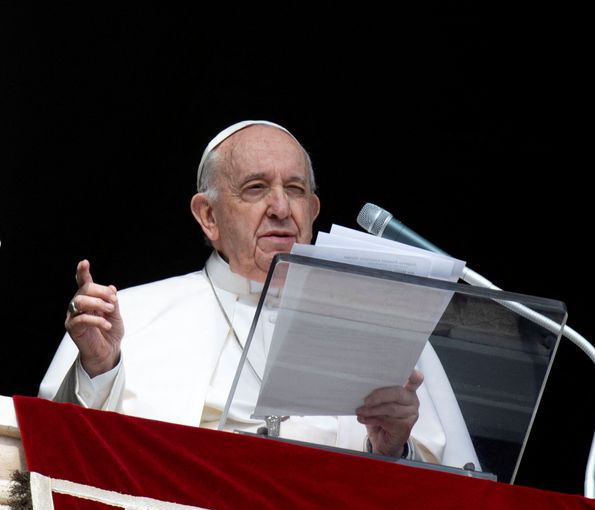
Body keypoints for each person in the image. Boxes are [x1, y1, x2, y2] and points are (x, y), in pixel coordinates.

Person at [39, 120, 479, 469]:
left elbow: (456, 496)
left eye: (295, 190)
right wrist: (98, 369)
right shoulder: (134, 316)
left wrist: (391, 450)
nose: (281, 208)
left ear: (313, 211)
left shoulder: (385, 326)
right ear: (208, 216)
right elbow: (58, 460)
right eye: (255, 188)